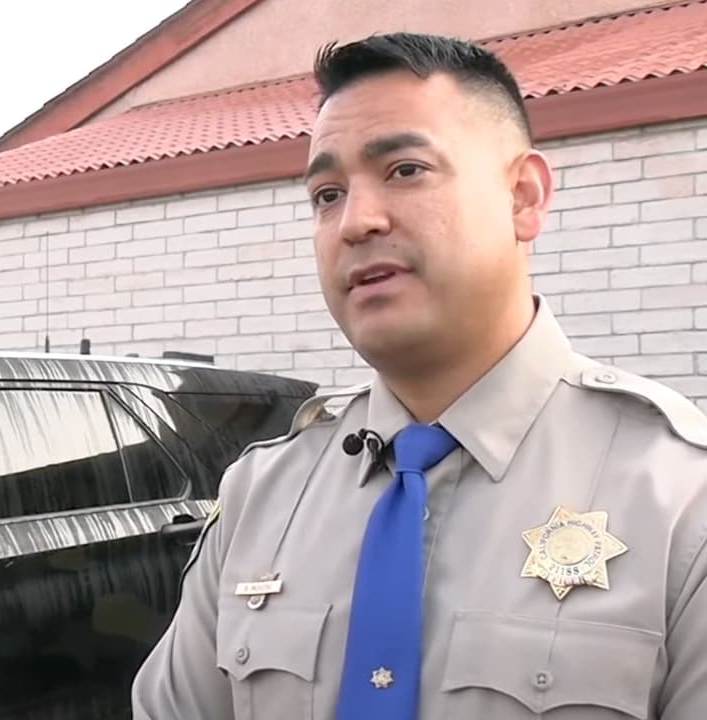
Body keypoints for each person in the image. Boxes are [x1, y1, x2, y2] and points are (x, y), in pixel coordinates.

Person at [131, 31, 707, 720]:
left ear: (523, 198)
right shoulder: (264, 494)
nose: (355, 222)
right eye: (327, 194)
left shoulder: (681, 499)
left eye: (405, 170)